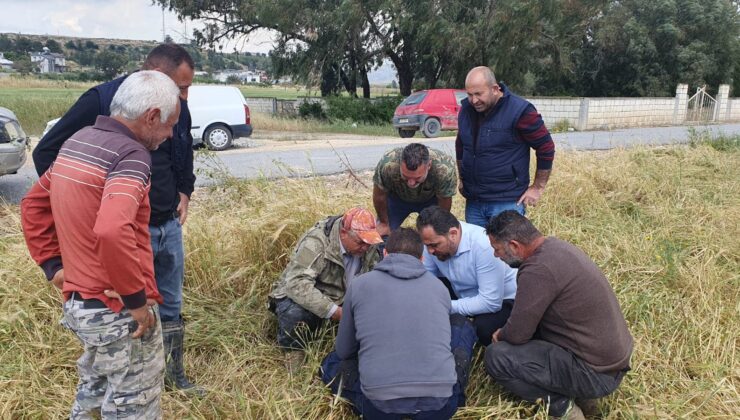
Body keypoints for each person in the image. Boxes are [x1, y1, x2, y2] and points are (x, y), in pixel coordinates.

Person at [32, 44, 202, 394]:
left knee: (168, 303)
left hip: (166, 223)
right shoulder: (103, 109)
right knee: (128, 350)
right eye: (179, 88)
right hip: (120, 238)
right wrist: (67, 239)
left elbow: (183, 147)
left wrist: (185, 190)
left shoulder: (173, 108)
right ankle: (139, 379)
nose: (184, 98)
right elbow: (49, 158)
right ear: (153, 84)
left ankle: (172, 374)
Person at [484, 211, 633, 419]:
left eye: (497, 249)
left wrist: (500, 336)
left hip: (595, 373)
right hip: (612, 362)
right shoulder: (556, 247)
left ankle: (563, 408)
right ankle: (585, 397)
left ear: (515, 246)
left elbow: (518, 334)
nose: (495, 255)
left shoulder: (537, 270)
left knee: (496, 357)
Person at [320, 228, 477, 419]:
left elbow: (345, 350)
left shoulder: (360, 284)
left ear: (385, 254)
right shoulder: (439, 287)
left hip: (380, 405)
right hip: (439, 405)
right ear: (421, 259)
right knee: (461, 325)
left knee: (332, 362)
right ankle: (457, 391)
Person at [268, 207, 383, 354]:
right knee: (294, 314)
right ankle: (295, 355)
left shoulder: (368, 245)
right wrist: (335, 311)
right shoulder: (317, 242)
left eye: (369, 242)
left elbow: (376, 277)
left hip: (344, 296)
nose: (366, 247)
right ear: (343, 233)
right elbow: (296, 283)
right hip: (314, 295)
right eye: (360, 242)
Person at [456, 66, 555, 227]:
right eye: (469, 95)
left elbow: (546, 146)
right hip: (474, 202)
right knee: (478, 250)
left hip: (506, 202)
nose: (474, 100)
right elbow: (461, 145)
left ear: (495, 89)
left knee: (507, 251)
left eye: (479, 94)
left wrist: (538, 187)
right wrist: (462, 178)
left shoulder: (520, 111)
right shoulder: (466, 110)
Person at [416, 206, 517, 346]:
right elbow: (426, 280)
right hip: (462, 292)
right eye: (426, 246)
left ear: (453, 233)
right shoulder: (431, 243)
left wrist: (444, 306)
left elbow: (491, 302)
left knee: (483, 329)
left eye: (434, 245)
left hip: (503, 300)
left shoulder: (484, 246)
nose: (430, 251)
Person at [372, 143, 457, 237]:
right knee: (382, 234)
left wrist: (438, 225)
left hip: (430, 200)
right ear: (400, 164)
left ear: (429, 165)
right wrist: (384, 223)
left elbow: (444, 201)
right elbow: (380, 196)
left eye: (417, 178)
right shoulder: (388, 164)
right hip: (397, 199)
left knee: (436, 234)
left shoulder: (444, 168)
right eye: (406, 176)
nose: (411, 183)